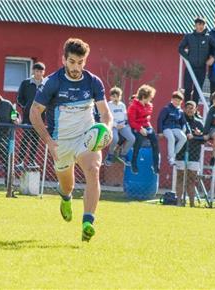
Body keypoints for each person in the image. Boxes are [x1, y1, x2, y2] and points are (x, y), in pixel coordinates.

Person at [30, 38, 113, 242]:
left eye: (81, 62)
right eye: (73, 62)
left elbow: (105, 114)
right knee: (67, 185)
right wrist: (49, 141)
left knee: (93, 170)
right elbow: (34, 112)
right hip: (61, 142)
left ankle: (88, 222)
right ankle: (66, 197)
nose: (76, 67)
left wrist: (106, 130)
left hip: (87, 137)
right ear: (64, 60)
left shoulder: (93, 81)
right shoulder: (53, 82)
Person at [178, 16, 215, 104]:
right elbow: (180, 48)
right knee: (188, 88)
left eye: (203, 24)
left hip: (201, 68)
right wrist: (188, 58)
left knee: (198, 89)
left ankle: (195, 109)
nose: (201, 26)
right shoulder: (189, 36)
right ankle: (187, 109)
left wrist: (213, 58)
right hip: (190, 68)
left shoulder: (208, 38)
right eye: (199, 24)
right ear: (195, 25)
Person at [175, 101, 204, 207]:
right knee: (180, 177)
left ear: (196, 109)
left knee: (191, 180)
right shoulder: (179, 121)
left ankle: (191, 203)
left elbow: (204, 139)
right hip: (181, 153)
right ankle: (178, 201)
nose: (189, 110)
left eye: (192, 108)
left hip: (194, 155)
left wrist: (199, 134)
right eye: (187, 107)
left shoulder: (199, 123)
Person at [17, 62, 45, 168]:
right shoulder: (26, 83)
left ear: (43, 72)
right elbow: (19, 98)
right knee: (26, 138)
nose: (38, 73)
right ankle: (20, 161)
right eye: (37, 71)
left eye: (41, 71)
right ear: (33, 71)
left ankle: (31, 161)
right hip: (27, 116)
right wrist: (25, 107)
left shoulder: (46, 84)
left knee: (35, 139)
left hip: (40, 117)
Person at [127, 84, 160, 175]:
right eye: (150, 97)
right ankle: (134, 164)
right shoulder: (133, 106)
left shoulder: (149, 106)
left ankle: (155, 165)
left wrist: (148, 128)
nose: (151, 99)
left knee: (155, 142)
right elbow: (131, 121)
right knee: (139, 141)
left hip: (146, 126)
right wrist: (140, 128)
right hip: (136, 126)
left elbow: (146, 119)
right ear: (144, 96)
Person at [157, 91, 192, 166]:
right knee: (171, 138)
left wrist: (189, 132)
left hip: (176, 128)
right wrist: (160, 132)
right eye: (175, 100)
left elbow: (185, 122)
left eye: (179, 101)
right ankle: (171, 159)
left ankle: (173, 155)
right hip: (166, 128)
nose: (177, 102)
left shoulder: (180, 111)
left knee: (183, 138)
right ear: (172, 99)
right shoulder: (166, 109)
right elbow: (160, 120)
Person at [105, 86, 135, 166]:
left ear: (120, 97)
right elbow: (107, 117)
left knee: (132, 138)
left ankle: (123, 154)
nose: (115, 98)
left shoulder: (122, 105)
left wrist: (123, 124)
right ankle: (110, 155)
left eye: (117, 96)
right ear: (110, 97)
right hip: (113, 125)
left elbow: (125, 116)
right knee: (115, 139)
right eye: (113, 96)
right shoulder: (108, 105)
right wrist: (115, 125)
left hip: (122, 125)